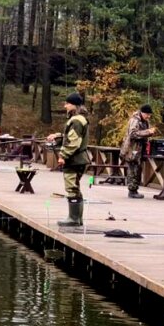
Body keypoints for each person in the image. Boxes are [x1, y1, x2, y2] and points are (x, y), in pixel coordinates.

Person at [46, 92, 91, 227]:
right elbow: (71, 136)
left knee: (72, 188)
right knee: (75, 187)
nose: (65, 106)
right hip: (79, 159)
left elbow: (73, 142)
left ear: (73, 105)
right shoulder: (80, 119)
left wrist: (62, 156)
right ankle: (77, 219)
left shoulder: (76, 120)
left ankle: (73, 219)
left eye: (67, 103)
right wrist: (57, 135)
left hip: (75, 160)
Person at [120, 104, 157, 199]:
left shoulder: (144, 121)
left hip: (140, 149)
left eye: (149, 115)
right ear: (142, 112)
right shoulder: (135, 120)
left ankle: (134, 189)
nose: (148, 116)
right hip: (133, 148)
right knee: (133, 168)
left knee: (138, 168)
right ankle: (132, 191)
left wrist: (150, 133)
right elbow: (132, 134)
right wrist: (148, 132)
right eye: (147, 114)